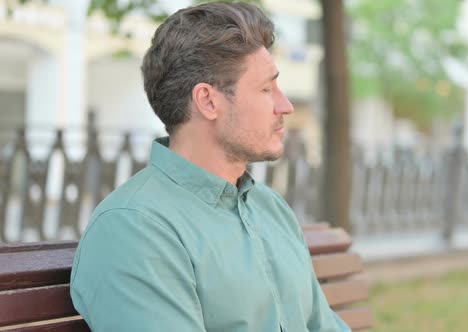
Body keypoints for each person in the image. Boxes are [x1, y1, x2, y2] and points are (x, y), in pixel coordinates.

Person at [70, 2, 351, 332]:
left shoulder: (269, 208)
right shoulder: (133, 230)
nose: (284, 105)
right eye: (266, 88)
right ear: (207, 101)